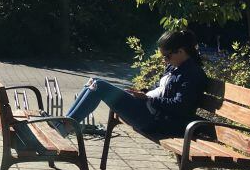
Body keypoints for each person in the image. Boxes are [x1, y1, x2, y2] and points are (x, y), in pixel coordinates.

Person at [63, 29, 206, 136]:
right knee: (94, 81)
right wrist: (143, 93)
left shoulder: (192, 74)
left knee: (99, 86)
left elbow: (180, 106)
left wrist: (149, 99)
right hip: (148, 110)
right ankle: (66, 122)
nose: (165, 60)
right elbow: (159, 89)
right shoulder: (174, 67)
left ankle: (67, 125)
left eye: (167, 56)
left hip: (158, 122)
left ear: (181, 51)